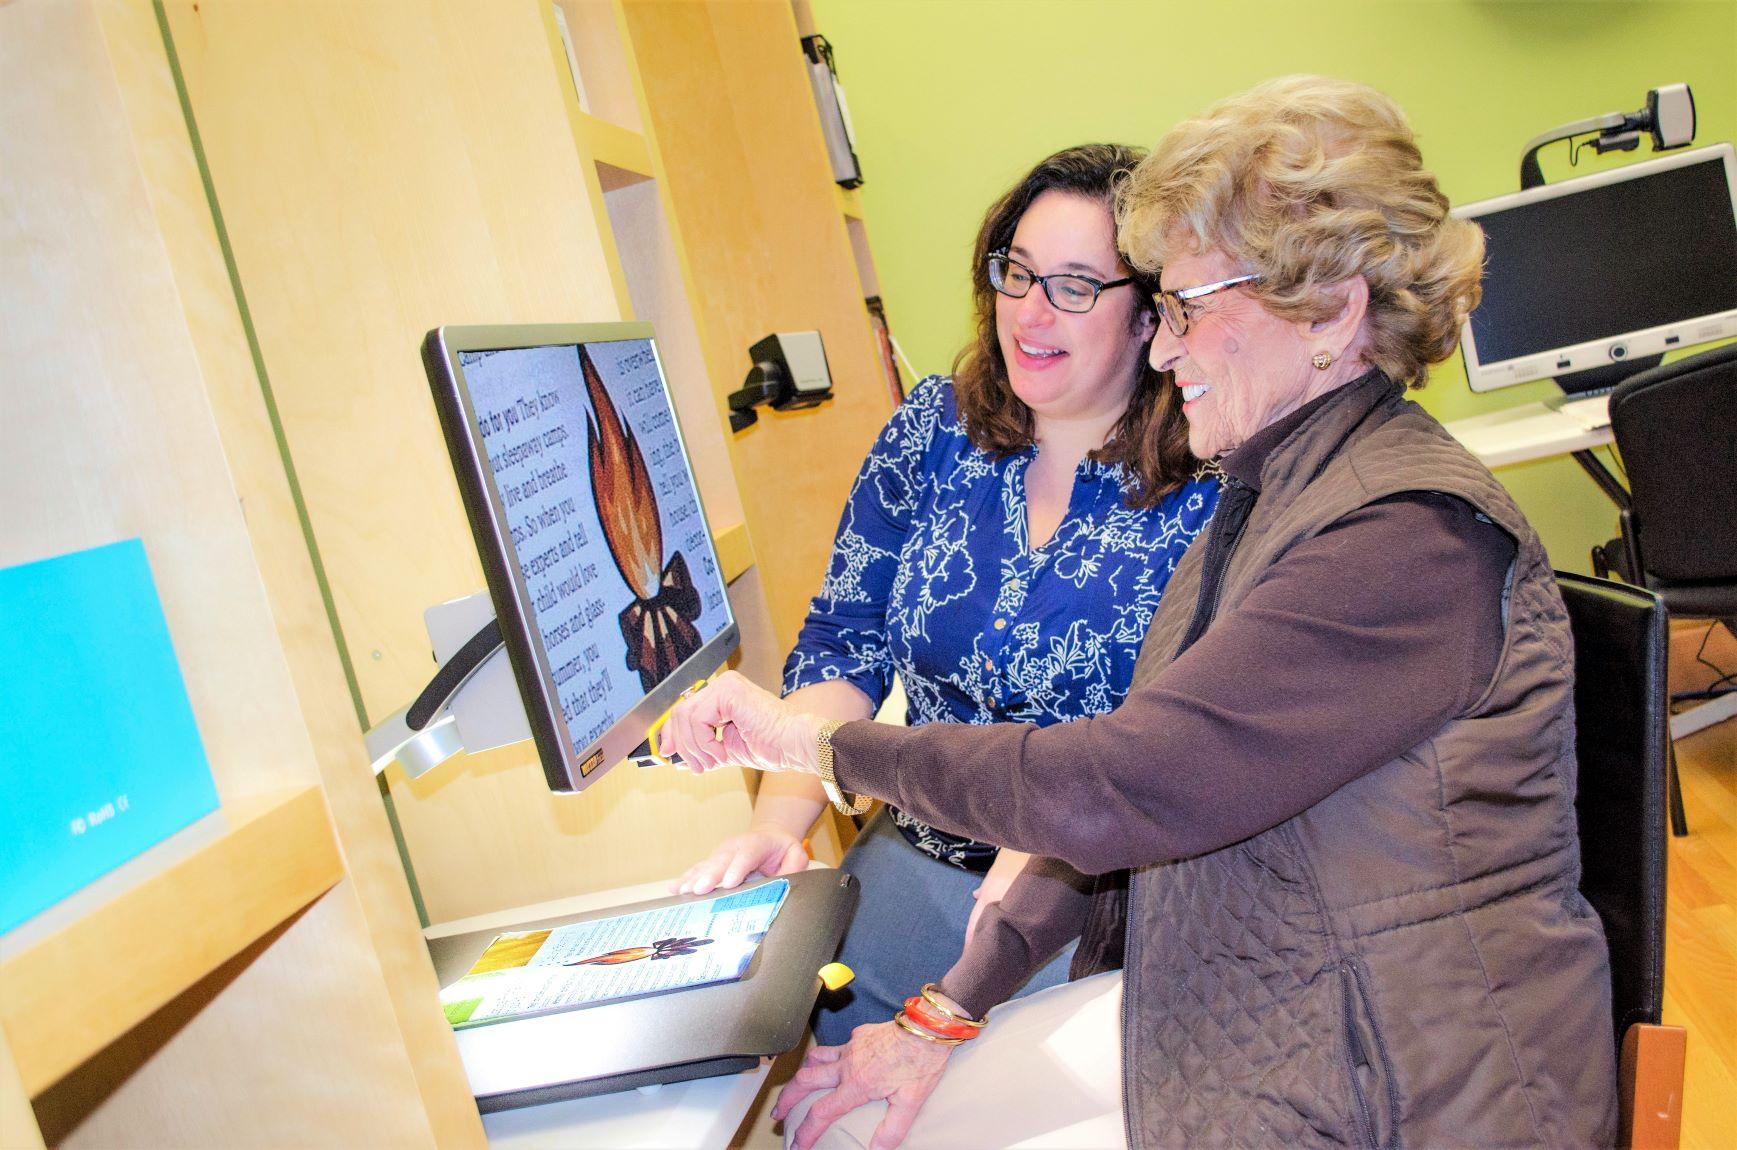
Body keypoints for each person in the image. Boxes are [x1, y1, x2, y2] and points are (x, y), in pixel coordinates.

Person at [660, 76, 1618, 1150]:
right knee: (848, 1119)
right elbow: (1132, 797)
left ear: (1333, 313)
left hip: (1407, 1083)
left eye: (1190, 311)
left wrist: (817, 739)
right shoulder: (1277, 487)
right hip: (1277, 1001)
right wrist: (946, 1009)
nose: (1165, 352)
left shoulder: (1401, 536)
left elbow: (1113, 791)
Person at [673, 144, 1219, 1047]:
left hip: (1093, 897)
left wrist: (1041, 862)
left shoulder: (1210, 474)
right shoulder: (935, 425)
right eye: (1017, 272)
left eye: (1077, 286)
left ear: (1149, 316)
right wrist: (781, 824)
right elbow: (843, 643)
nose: (1031, 312)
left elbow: (1177, 739)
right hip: (914, 856)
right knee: (806, 1089)